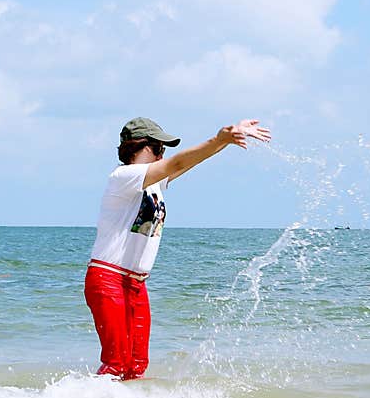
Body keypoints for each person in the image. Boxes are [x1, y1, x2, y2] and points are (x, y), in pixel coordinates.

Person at [85, 116, 271, 380]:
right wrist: (219, 138)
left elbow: (191, 161)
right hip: (109, 279)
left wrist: (226, 141)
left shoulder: (156, 182)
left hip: (136, 285)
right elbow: (180, 161)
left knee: (136, 366)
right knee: (116, 363)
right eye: (159, 148)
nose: (163, 155)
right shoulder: (123, 176)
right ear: (139, 146)